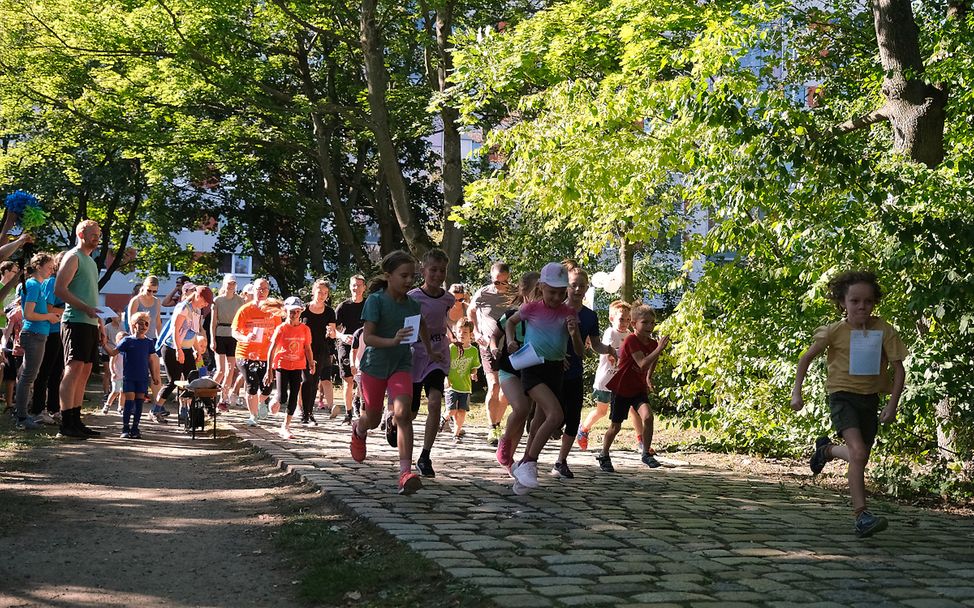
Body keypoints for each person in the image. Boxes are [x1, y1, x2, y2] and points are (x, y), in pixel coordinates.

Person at [791, 271, 906, 538]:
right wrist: (797, 392)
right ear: (843, 302)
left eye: (867, 301)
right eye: (855, 301)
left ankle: (827, 450)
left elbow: (899, 370)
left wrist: (892, 404)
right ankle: (861, 515)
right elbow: (806, 359)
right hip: (842, 396)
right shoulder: (834, 331)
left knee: (860, 456)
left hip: (870, 399)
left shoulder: (884, 330)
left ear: (874, 302)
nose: (861, 306)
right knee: (858, 453)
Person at [349, 251, 439, 495]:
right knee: (374, 419)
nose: (409, 281)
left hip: (401, 365)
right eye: (404, 276)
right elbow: (367, 337)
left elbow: (421, 325)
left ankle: (404, 473)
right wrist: (393, 340)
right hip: (375, 366)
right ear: (389, 276)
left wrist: (430, 351)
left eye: (412, 276)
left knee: (403, 413)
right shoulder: (376, 301)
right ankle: (359, 429)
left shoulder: (412, 303)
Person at [505, 263, 583, 495]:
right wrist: (511, 340)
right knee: (556, 415)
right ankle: (529, 461)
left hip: (555, 369)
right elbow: (510, 322)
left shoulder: (569, 313)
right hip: (532, 367)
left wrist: (573, 333)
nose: (557, 297)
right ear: (541, 288)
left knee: (540, 420)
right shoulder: (531, 309)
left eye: (562, 292)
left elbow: (579, 351)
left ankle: (521, 471)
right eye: (552, 292)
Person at [550, 265, 615, 479]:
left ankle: (561, 461)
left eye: (582, 286)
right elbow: (545, 338)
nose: (578, 289)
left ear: (587, 288)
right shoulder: (555, 309)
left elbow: (595, 344)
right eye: (573, 285)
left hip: (574, 373)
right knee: (551, 418)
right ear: (566, 287)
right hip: (552, 371)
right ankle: (529, 458)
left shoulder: (590, 316)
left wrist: (609, 349)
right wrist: (557, 357)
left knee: (573, 416)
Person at [597, 304, 669, 472]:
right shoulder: (631, 340)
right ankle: (604, 454)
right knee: (616, 427)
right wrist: (659, 348)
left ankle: (646, 453)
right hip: (621, 388)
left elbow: (653, 360)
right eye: (645, 323)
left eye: (652, 323)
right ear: (634, 324)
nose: (650, 327)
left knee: (648, 417)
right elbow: (642, 362)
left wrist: (648, 377)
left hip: (638, 389)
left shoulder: (651, 344)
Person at [54, 219, 104, 439]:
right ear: (81, 234)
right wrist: (85, 308)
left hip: (90, 323)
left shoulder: (91, 262)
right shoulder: (73, 256)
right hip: (74, 321)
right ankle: (66, 422)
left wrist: (99, 322)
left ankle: (76, 419)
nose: (97, 238)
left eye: (99, 234)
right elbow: (59, 290)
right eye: (94, 234)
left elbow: (90, 295)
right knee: (73, 369)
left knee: (84, 372)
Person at [408, 249, 455, 477]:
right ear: (423, 270)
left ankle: (425, 455)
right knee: (411, 413)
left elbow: (447, 320)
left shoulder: (449, 299)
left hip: (438, 355)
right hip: (416, 355)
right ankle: (393, 420)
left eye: (442, 270)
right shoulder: (413, 297)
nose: (438, 275)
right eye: (433, 270)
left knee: (435, 401)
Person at [494, 272, 541, 473]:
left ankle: (508, 462)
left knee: (522, 417)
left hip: (532, 370)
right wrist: (495, 347)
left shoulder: (544, 318)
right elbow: (495, 336)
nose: (541, 295)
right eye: (537, 290)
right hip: (509, 368)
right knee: (521, 408)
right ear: (524, 292)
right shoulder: (510, 315)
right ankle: (504, 441)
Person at [577, 301, 636, 450]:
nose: (625, 323)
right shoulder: (610, 333)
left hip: (621, 382)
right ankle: (583, 429)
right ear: (612, 319)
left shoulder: (630, 335)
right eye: (621, 319)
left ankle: (641, 441)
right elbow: (610, 353)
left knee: (632, 409)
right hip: (606, 380)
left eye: (628, 319)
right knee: (601, 412)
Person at [13, 252, 59, 430]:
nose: (51, 271)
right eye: (49, 268)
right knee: (28, 377)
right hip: (34, 334)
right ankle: (22, 417)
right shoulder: (33, 285)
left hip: (37, 334)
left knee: (26, 375)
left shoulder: (36, 285)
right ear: (38, 267)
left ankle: (22, 414)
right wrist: (49, 316)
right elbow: (28, 314)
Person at [157, 283, 214, 423]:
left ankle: (206, 408)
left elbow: (193, 332)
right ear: (197, 296)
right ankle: (156, 409)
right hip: (172, 348)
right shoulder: (183, 308)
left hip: (187, 349)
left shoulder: (197, 311)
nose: (206, 305)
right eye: (205, 301)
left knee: (194, 379)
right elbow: (175, 330)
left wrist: (196, 350)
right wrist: (178, 350)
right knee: (173, 380)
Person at [468, 262, 511, 446]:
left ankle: (498, 422)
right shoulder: (483, 293)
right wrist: (476, 332)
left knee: (506, 391)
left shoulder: (515, 293)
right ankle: (492, 426)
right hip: (487, 345)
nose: (499, 286)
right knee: (493, 385)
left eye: (503, 282)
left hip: (509, 346)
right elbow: (470, 311)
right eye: (496, 282)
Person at [103, 311, 162, 439]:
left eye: (146, 324)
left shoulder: (149, 342)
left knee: (139, 403)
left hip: (142, 377)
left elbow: (151, 360)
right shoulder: (127, 340)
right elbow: (113, 353)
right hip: (129, 377)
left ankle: (135, 428)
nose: (144, 326)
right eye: (141, 323)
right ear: (134, 325)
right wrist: (104, 344)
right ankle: (125, 428)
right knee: (129, 403)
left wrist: (154, 376)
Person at [231, 278, 281, 426]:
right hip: (245, 353)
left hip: (266, 354)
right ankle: (253, 416)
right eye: (258, 289)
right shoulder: (245, 310)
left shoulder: (274, 312)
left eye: (264, 289)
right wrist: (245, 337)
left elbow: (279, 332)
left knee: (266, 387)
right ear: (253, 290)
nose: (261, 292)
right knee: (252, 384)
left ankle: (260, 403)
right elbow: (234, 331)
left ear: (268, 292)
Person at [265, 297, 314, 439]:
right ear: (286, 312)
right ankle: (276, 396)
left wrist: (311, 363)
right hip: (282, 364)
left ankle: (286, 426)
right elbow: (272, 349)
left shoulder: (305, 329)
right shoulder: (281, 328)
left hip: (298, 365)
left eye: (297, 311)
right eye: (292, 311)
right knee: (283, 397)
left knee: (293, 396)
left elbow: (307, 348)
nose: (295, 314)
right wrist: (269, 371)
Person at [31, 252, 65, 426]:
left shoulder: (61, 282)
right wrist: (68, 311)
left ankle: (53, 408)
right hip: (49, 331)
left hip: (58, 331)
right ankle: (38, 409)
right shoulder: (52, 282)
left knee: (57, 372)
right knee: (44, 371)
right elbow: (49, 309)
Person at [300, 279, 337, 424]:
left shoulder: (329, 311)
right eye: (319, 291)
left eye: (325, 293)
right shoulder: (304, 309)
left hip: (321, 349)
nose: (322, 295)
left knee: (314, 381)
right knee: (306, 380)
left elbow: (333, 333)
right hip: (304, 348)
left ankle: (309, 413)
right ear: (313, 291)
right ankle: (303, 412)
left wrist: (330, 333)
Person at [335, 274, 366, 422]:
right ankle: (348, 414)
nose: (356, 288)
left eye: (359, 285)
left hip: (365, 346)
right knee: (348, 379)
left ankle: (357, 399)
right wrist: (342, 336)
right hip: (346, 346)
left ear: (364, 288)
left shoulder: (369, 305)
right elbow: (331, 329)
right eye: (354, 285)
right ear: (350, 286)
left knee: (362, 379)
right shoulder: (343, 306)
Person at [210, 273, 244, 409]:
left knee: (231, 370)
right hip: (220, 335)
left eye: (233, 283)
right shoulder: (217, 300)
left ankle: (223, 399)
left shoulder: (240, 301)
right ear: (224, 284)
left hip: (234, 336)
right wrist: (212, 339)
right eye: (229, 283)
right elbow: (213, 323)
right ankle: (207, 394)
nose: (231, 286)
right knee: (221, 370)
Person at [444, 318, 480, 442]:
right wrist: (445, 378)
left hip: (465, 386)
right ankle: (443, 419)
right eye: (459, 331)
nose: (461, 334)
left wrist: (473, 374)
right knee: (452, 410)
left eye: (465, 332)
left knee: (462, 411)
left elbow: (474, 367)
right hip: (452, 385)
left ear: (471, 335)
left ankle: (456, 434)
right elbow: (445, 365)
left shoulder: (474, 351)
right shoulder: (451, 348)